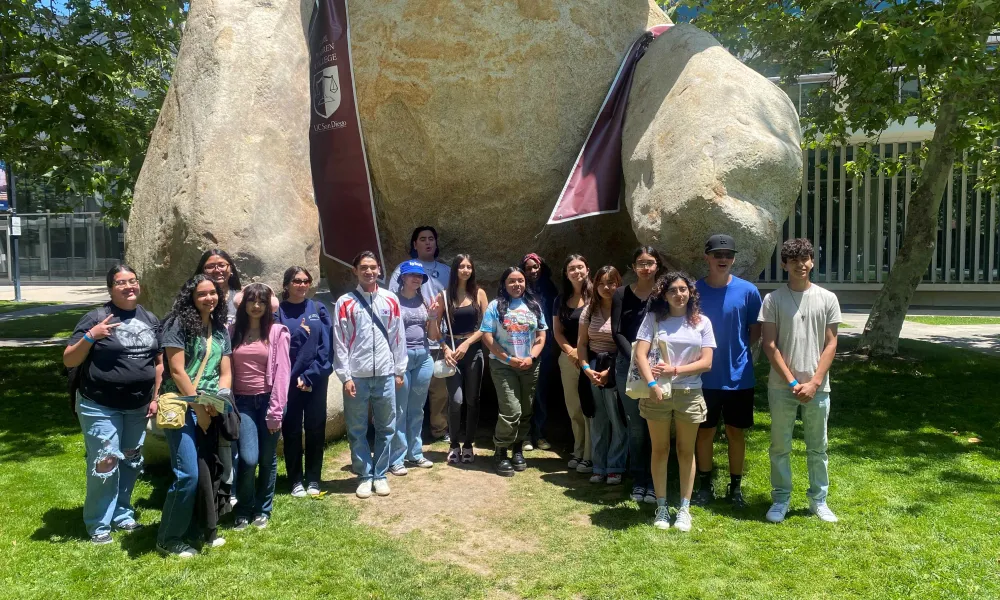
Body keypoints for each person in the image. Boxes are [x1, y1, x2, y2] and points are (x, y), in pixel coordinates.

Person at [64, 264, 161, 545]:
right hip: (100, 404)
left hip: (138, 406)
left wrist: (155, 397)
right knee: (106, 461)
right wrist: (91, 335)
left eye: (133, 281)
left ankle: (122, 512)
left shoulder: (150, 318)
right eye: (121, 282)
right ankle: (98, 522)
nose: (129, 286)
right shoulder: (96, 318)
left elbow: (158, 362)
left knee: (130, 460)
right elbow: (70, 359)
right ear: (110, 288)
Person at [761, 238, 841, 524]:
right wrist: (794, 383)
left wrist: (815, 383)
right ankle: (781, 499)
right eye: (793, 260)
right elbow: (769, 344)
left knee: (817, 447)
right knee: (780, 447)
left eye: (805, 258)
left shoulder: (827, 298)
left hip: (818, 389)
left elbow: (831, 344)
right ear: (784, 264)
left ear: (812, 261)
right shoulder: (773, 300)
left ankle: (818, 500)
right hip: (782, 387)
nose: (800, 264)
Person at [156, 274, 233, 557]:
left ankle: (201, 528)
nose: (208, 298)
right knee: (187, 474)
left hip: (211, 408)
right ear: (191, 297)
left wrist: (217, 401)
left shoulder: (220, 329)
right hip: (182, 409)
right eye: (202, 294)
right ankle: (168, 538)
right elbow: (176, 372)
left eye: (212, 293)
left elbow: (225, 373)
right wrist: (199, 408)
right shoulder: (177, 324)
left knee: (207, 473)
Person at [634, 271, 716, 532]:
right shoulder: (653, 319)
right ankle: (661, 506)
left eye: (683, 289)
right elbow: (640, 354)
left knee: (685, 450)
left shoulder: (702, 322)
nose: (679, 294)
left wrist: (676, 371)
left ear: (690, 292)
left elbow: (707, 362)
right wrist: (651, 384)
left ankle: (683, 509)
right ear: (664, 295)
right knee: (659, 450)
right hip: (657, 393)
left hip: (689, 394)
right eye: (673, 290)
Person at [693, 234, 762, 509]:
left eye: (728, 255)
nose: (723, 259)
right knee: (704, 432)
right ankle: (704, 485)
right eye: (717, 254)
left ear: (734, 258)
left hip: (739, 378)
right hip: (704, 377)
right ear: (707, 257)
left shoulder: (748, 291)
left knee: (736, 433)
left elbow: (754, 331)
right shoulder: (694, 292)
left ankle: (735, 488)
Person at [334, 251, 407, 498]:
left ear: (379, 270)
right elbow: (340, 340)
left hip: (386, 373)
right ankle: (365, 475)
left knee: (387, 426)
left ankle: (380, 474)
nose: (369, 271)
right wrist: (345, 376)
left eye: (373, 267)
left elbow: (398, 337)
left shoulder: (390, 299)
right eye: (364, 267)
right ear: (355, 270)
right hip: (357, 374)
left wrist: (399, 369)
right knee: (357, 428)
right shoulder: (345, 302)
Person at [229, 283, 291, 530]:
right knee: (248, 458)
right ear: (243, 304)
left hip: (268, 401)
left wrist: (276, 410)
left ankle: (262, 509)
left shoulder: (278, 332)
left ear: (268, 306)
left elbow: (283, 374)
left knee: (267, 459)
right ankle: (244, 507)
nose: (256, 306)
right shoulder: (231, 331)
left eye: (262, 302)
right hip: (242, 403)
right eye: (251, 301)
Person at [480, 267, 548, 477]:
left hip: (529, 365)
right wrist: (508, 358)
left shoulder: (533, 305)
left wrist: (532, 357)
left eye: (520, 280)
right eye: (512, 281)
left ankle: (517, 449)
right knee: (511, 410)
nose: (517, 285)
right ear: (504, 284)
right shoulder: (495, 306)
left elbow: (541, 334)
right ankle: (501, 451)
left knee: (526, 409)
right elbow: (487, 336)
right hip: (503, 365)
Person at [388, 226, 451, 443]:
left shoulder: (446, 271)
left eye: (431, 238)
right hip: (408, 342)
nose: (427, 242)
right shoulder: (402, 269)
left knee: (438, 390)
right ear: (414, 244)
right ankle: (407, 435)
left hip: (438, 337)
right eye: (422, 239)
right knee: (408, 393)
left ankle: (439, 429)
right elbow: (392, 301)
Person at [611, 247, 662, 505]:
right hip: (627, 366)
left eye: (650, 263)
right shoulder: (621, 293)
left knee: (657, 426)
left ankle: (656, 482)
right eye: (640, 263)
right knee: (637, 427)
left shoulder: (664, 293)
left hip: (658, 369)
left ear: (657, 266)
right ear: (633, 266)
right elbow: (617, 330)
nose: (645, 267)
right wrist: (634, 359)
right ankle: (639, 480)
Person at [277, 266, 333, 498]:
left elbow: (326, 348)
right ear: (286, 285)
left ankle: (313, 479)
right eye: (296, 281)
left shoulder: (318, 308)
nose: (302, 285)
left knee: (315, 429)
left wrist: (310, 375)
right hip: (288, 382)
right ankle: (295, 480)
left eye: (306, 281)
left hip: (315, 380)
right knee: (291, 430)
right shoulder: (277, 312)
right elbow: (277, 349)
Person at [436, 254, 489, 464]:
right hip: (452, 353)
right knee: (456, 400)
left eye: (469, 266)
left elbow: (486, 325)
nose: (465, 270)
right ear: (455, 269)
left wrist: (467, 343)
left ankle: (468, 444)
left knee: (472, 400)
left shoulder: (479, 293)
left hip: (473, 350)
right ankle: (454, 444)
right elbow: (434, 328)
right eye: (461, 266)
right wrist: (445, 348)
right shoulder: (444, 295)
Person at [389, 261, 440, 475]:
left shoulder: (424, 300)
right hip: (401, 359)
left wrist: (434, 317)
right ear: (403, 278)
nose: (416, 279)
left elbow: (432, 335)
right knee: (399, 410)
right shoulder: (392, 300)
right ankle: (397, 458)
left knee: (416, 409)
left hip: (424, 356)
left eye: (419, 276)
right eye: (412, 275)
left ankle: (415, 453)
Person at [578, 266, 626, 485]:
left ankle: (615, 465)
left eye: (611, 282)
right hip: (594, 363)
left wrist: (611, 371)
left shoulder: (623, 307)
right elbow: (582, 342)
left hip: (617, 365)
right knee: (598, 418)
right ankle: (598, 466)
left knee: (617, 417)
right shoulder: (590, 309)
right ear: (595, 285)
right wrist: (586, 368)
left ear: (618, 283)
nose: (606, 288)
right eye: (601, 283)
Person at [551, 254, 593, 473]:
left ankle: (591, 455)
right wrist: (571, 351)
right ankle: (579, 450)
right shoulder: (560, 299)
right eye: (571, 269)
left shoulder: (596, 295)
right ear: (566, 274)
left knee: (590, 408)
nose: (576, 272)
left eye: (580, 267)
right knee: (574, 407)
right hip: (568, 358)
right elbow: (557, 331)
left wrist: (583, 353)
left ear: (587, 269)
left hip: (593, 358)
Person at [520, 253, 558, 451]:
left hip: (546, 345)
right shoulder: (519, 289)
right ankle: (525, 435)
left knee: (541, 391)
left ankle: (540, 433)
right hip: (523, 345)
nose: (533, 271)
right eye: (528, 268)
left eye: (536, 267)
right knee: (524, 392)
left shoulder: (549, 287)